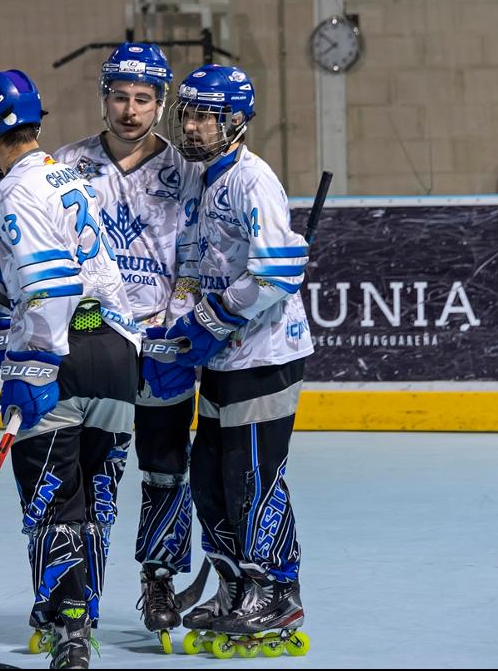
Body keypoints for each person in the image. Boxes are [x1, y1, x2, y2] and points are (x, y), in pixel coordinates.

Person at [0, 69, 140, 669]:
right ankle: (76, 612)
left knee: (54, 502)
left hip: (62, 355)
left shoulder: (12, 191)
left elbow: (49, 282)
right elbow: (12, 277)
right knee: (95, 497)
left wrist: (33, 364)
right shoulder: (66, 175)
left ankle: (68, 628)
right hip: (115, 352)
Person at [147, 64, 314, 646]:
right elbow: (195, 268)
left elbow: (275, 274)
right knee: (210, 479)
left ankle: (277, 591)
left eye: (205, 116)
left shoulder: (253, 180)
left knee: (252, 477)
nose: (192, 126)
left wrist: (211, 320)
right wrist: (177, 329)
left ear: (236, 121)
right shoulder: (201, 180)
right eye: (188, 114)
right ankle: (234, 584)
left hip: (265, 355)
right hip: (222, 359)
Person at [48, 43, 205, 645]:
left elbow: (197, 255)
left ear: (160, 105)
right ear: (104, 98)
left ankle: (159, 578)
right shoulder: (66, 165)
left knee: (166, 466)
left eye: (143, 99)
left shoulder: (187, 170)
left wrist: (179, 322)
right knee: (91, 472)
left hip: (163, 341)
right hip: (96, 337)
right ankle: (72, 593)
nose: (130, 110)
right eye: (120, 97)